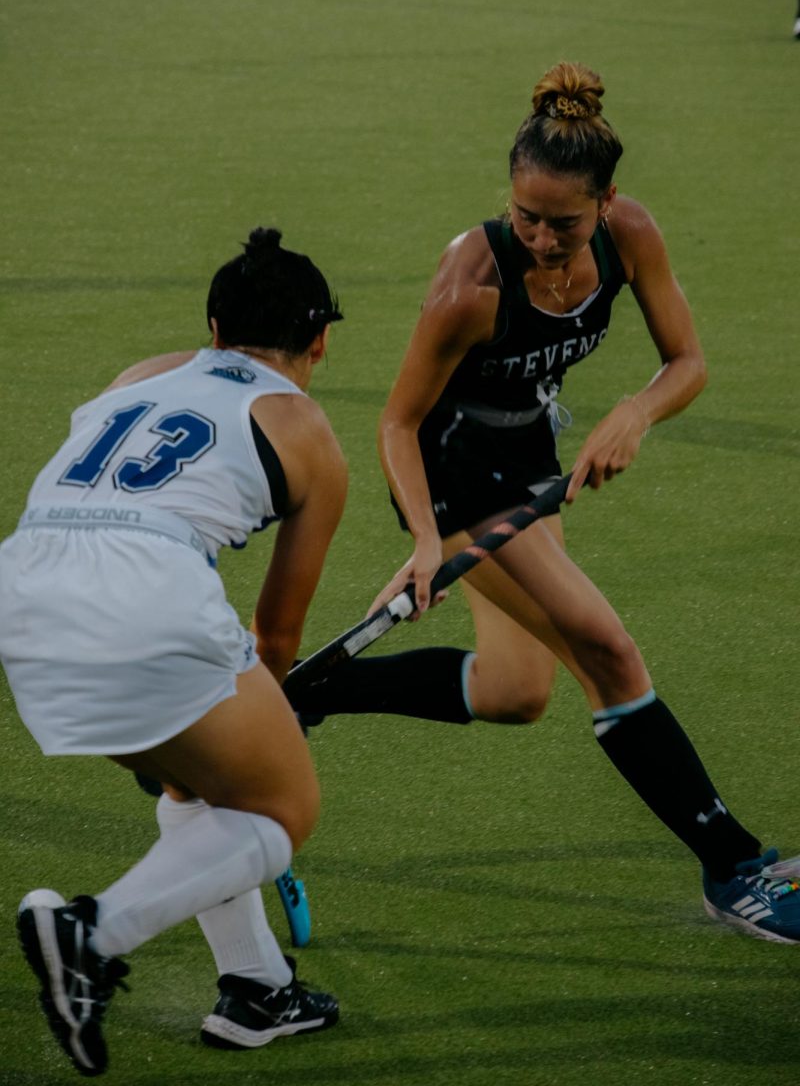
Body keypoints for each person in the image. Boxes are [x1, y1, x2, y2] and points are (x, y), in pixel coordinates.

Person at [286, 63, 800, 944]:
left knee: (515, 691)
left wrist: (634, 412)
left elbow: (688, 362)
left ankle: (308, 694)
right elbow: (399, 424)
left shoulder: (629, 237)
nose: (542, 238)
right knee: (607, 648)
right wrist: (422, 540)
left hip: (526, 457)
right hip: (450, 471)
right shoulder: (470, 283)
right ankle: (735, 867)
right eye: (526, 215)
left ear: (607, 204)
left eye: (564, 221)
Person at [0, 227, 348, 1075]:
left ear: (214, 331)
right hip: (145, 598)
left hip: (23, 587)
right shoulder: (304, 427)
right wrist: (269, 715)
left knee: (202, 781)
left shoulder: (143, 375)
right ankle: (89, 935)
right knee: (279, 807)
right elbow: (278, 633)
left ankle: (258, 989)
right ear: (320, 344)